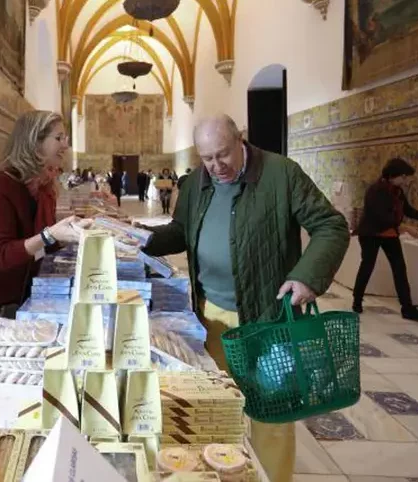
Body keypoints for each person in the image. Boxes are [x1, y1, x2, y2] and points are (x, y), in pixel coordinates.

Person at [141, 114, 349, 482]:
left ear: (241, 140)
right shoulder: (196, 183)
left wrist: (306, 277)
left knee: (271, 411)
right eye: (207, 158)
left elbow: (330, 225)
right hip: (211, 316)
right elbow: (180, 231)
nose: (216, 166)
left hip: (267, 319)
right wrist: (138, 238)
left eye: (223, 154)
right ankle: (228, 471)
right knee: (219, 407)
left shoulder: (281, 174)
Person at [0, 110, 91, 405]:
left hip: (20, 294)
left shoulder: (41, 187)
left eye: (65, 138)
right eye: (58, 138)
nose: (65, 145)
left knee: (20, 388)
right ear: (33, 143)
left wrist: (71, 234)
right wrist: (52, 235)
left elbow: (38, 244)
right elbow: (1, 254)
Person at [352, 157, 418, 320]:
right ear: (392, 175)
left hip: (390, 234)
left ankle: (407, 308)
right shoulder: (375, 190)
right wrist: (403, 228)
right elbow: (379, 216)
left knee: (399, 268)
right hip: (371, 234)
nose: (406, 180)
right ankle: (357, 301)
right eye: (403, 177)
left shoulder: (397, 191)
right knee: (367, 265)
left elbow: (409, 210)